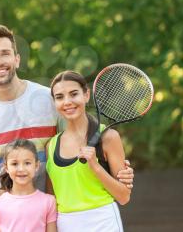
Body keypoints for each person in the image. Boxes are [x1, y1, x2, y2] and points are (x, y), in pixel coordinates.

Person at [0, 24, 134, 232]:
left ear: (17, 59)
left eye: (5, 53)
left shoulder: (50, 100)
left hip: (46, 221)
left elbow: (77, 144)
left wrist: (116, 167)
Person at [47, 70, 130, 232]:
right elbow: (52, 200)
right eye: (60, 97)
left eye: (73, 94)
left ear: (86, 95)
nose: (67, 102)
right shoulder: (51, 145)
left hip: (102, 222)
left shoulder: (109, 138)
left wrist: (96, 166)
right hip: (65, 224)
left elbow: (124, 196)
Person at [0, 139, 57, 232]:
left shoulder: (49, 202)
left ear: (37, 165)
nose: (21, 169)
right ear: (6, 167)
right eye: (14, 164)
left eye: (27, 163)